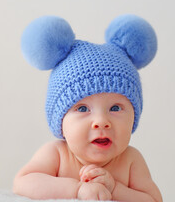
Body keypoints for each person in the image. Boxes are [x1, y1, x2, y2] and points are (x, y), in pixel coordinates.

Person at [13, 15, 163, 202]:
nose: (101, 122)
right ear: (60, 121)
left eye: (116, 108)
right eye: (83, 109)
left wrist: (114, 188)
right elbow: (23, 183)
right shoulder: (57, 154)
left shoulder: (131, 161)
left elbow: (154, 199)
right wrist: (77, 189)